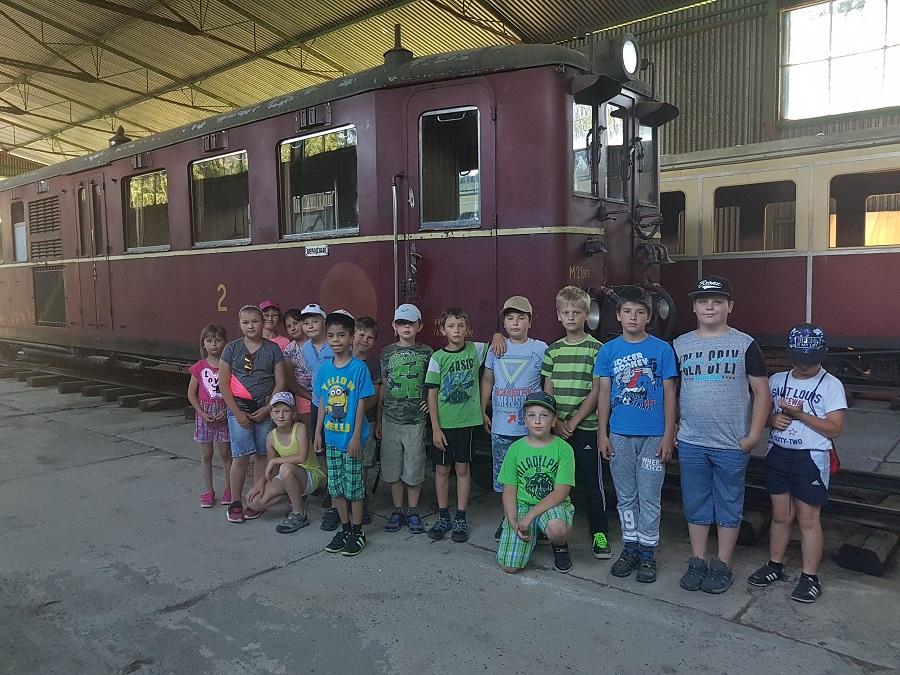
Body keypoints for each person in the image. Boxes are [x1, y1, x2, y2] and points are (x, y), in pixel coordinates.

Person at [673, 276, 770, 594]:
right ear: (694, 308)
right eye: (703, 301)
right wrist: (673, 428)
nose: (710, 306)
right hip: (692, 441)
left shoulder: (745, 344)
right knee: (696, 502)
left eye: (717, 301)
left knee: (729, 503)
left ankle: (724, 563)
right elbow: (671, 392)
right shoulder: (680, 345)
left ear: (730, 306)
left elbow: (761, 392)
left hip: (731, 443)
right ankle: (698, 559)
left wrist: (753, 435)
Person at [748, 324, 846, 603]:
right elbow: (761, 416)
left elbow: (835, 428)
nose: (803, 365)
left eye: (810, 360)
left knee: (808, 518)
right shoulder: (777, 380)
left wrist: (800, 416)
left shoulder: (831, 385)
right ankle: (775, 565)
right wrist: (772, 420)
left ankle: (809, 577)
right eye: (798, 359)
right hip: (779, 452)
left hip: (811, 456)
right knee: (781, 514)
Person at [595, 286, 678, 583]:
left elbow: (670, 393)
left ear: (649, 317)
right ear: (618, 316)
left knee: (650, 496)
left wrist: (669, 433)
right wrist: (602, 433)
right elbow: (603, 394)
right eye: (628, 312)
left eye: (640, 312)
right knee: (626, 496)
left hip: (653, 437)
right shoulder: (608, 351)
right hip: (619, 435)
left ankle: (647, 553)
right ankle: (630, 547)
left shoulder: (662, 350)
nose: (633, 317)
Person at [541, 285, 610, 559]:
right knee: (553, 481)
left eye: (577, 312)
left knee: (591, 483)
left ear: (587, 315)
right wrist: (555, 421)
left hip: (586, 428)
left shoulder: (597, 349)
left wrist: (574, 421)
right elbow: (548, 389)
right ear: (558, 315)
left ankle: (600, 532)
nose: (571, 317)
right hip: (557, 428)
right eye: (566, 312)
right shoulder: (553, 351)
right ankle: (548, 526)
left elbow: (596, 391)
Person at [480, 296, 547, 541]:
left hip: (531, 429)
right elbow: (488, 379)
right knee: (506, 478)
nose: (515, 323)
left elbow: (547, 382)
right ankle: (508, 519)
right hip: (501, 427)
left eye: (521, 318)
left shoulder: (540, 349)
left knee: (532, 475)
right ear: (504, 323)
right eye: (510, 318)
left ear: (530, 321)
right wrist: (482, 410)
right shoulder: (496, 348)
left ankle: (535, 519)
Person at [425, 307, 489, 543]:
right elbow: (432, 395)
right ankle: (443, 516)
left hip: (467, 423)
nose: (456, 330)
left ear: (467, 329)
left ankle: (461, 517)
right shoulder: (437, 358)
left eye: (461, 326)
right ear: (443, 330)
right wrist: (435, 428)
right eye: (451, 326)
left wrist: (497, 335)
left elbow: (498, 344)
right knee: (442, 470)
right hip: (444, 425)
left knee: (463, 470)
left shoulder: (475, 350)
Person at [314, 311, 376, 557]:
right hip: (331, 438)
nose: (335, 340)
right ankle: (346, 528)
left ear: (351, 338)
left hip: (350, 440)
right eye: (331, 335)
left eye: (341, 335)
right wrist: (318, 432)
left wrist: (356, 437)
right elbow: (322, 402)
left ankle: (358, 531)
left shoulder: (359, 369)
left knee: (354, 488)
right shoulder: (324, 369)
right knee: (336, 487)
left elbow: (361, 404)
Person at [219, 304, 287, 524]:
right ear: (239, 324)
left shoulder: (273, 349)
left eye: (255, 321)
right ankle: (235, 501)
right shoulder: (231, 349)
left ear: (263, 323)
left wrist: (268, 409)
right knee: (240, 456)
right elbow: (223, 384)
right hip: (239, 410)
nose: (251, 326)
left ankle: (255, 499)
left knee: (261, 455)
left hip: (264, 409)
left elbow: (280, 382)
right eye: (245, 322)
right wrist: (237, 413)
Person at [496, 392, 575, 574]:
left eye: (544, 415)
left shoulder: (564, 449)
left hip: (553, 505)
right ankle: (535, 533)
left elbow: (560, 493)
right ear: (525, 420)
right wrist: (512, 520)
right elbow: (509, 490)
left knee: (557, 529)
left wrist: (529, 517)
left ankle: (560, 545)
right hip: (523, 505)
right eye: (532, 415)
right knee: (509, 567)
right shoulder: (515, 449)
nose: (537, 421)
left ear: (554, 421)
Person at [378, 304, 432, 534]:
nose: (406, 327)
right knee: (392, 467)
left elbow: (433, 384)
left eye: (410, 323)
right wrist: (379, 418)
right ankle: (398, 509)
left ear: (420, 326)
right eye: (401, 323)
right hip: (390, 418)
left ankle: (413, 510)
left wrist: (429, 402)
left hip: (415, 420)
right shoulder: (386, 353)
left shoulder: (427, 352)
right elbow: (383, 385)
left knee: (414, 466)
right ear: (394, 326)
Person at [245, 391, 326, 534]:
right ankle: (295, 497)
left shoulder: (299, 428)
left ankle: (298, 513)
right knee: (254, 502)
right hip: (287, 475)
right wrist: (259, 484)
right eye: (276, 411)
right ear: (271, 414)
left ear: (293, 414)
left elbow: (301, 457)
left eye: (286, 411)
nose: (280, 415)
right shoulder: (271, 437)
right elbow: (271, 467)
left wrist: (275, 460)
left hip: (310, 475)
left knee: (285, 468)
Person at [298, 303, 339, 530]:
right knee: (320, 444)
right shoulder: (305, 349)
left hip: (336, 403)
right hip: (317, 403)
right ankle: (330, 485)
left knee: (336, 444)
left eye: (315, 321)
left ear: (324, 323)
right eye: (306, 322)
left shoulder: (333, 344)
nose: (310, 326)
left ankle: (337, 489)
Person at [187, 323, 232, 508]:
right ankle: (208, 490)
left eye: (218, 340)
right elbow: (191, 394)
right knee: (206, 454)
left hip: (224, 412)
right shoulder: (199, 367)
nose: (214, 344)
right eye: (209, 341)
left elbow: (235, 392)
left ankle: (229, 489)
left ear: (225, 343)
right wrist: (202, 413)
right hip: (204, 415)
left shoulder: (228, 366)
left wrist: (227, 411)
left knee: (226, 453)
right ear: (203, 344)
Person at [352, 316, 382, 525]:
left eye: (370, 338)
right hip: (342, 423)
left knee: (362, 462)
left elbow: (376, 395)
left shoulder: (373, 364)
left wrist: (377, 421)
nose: (364, 340)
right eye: (361, 334)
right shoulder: (342, 360)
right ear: (353, 335)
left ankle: (361, 499)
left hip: (367, 421)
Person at [283, 308, 313, 427]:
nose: (293, 328)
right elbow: (290, 381)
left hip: (324, 393)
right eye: (289, 326)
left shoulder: (317, 343)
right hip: (303, 395)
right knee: (309, 429)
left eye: (295, 323)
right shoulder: (288, 351)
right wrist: (309, 396)